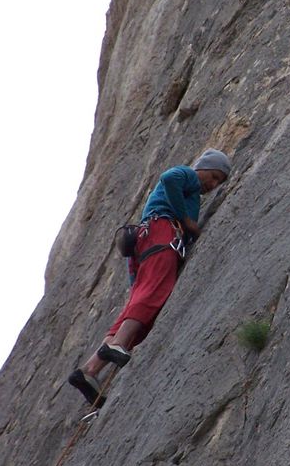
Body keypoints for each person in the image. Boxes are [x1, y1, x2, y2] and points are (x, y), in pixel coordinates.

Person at [68, 148, 231, 406]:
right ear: (203, 167)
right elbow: (168, 178)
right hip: (163, 233)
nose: (213, 184)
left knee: (137, 304)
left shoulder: (190, 190)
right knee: (155, 292)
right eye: (213, 176)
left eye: (219, 182)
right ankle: (118, 344)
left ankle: (90, 370)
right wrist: (186, 220)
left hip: (149, 242)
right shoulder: (187, 175)